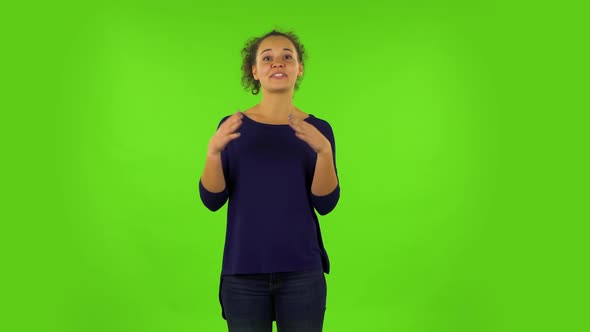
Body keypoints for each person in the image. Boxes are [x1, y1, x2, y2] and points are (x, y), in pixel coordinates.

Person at [198, 29, 340, 332]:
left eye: (287, 57)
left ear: (299, 68)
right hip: (243, 274)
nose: (278, 63)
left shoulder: (319, 130)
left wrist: (324, 153)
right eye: (268, 58)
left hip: (302, 273)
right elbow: (212, 200)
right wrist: (212, 153)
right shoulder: (231, 127)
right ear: (255, 71)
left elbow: (326, 203)